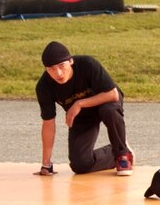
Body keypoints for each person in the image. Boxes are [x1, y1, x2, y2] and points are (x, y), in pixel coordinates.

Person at [34, 41, 134, 177]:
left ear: (70, 61)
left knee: (109, 110)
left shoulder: (87, 64)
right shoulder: (44, 86)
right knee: (80, 164)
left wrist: (79, 104)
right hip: (82, 115)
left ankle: (122, 155)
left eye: (61, 66)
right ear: (46, 69)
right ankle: (119, 150)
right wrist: (46, 164)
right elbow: (48, 123)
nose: (58, 73)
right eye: (51, 69)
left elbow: (112, 94)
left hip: (105, 100)